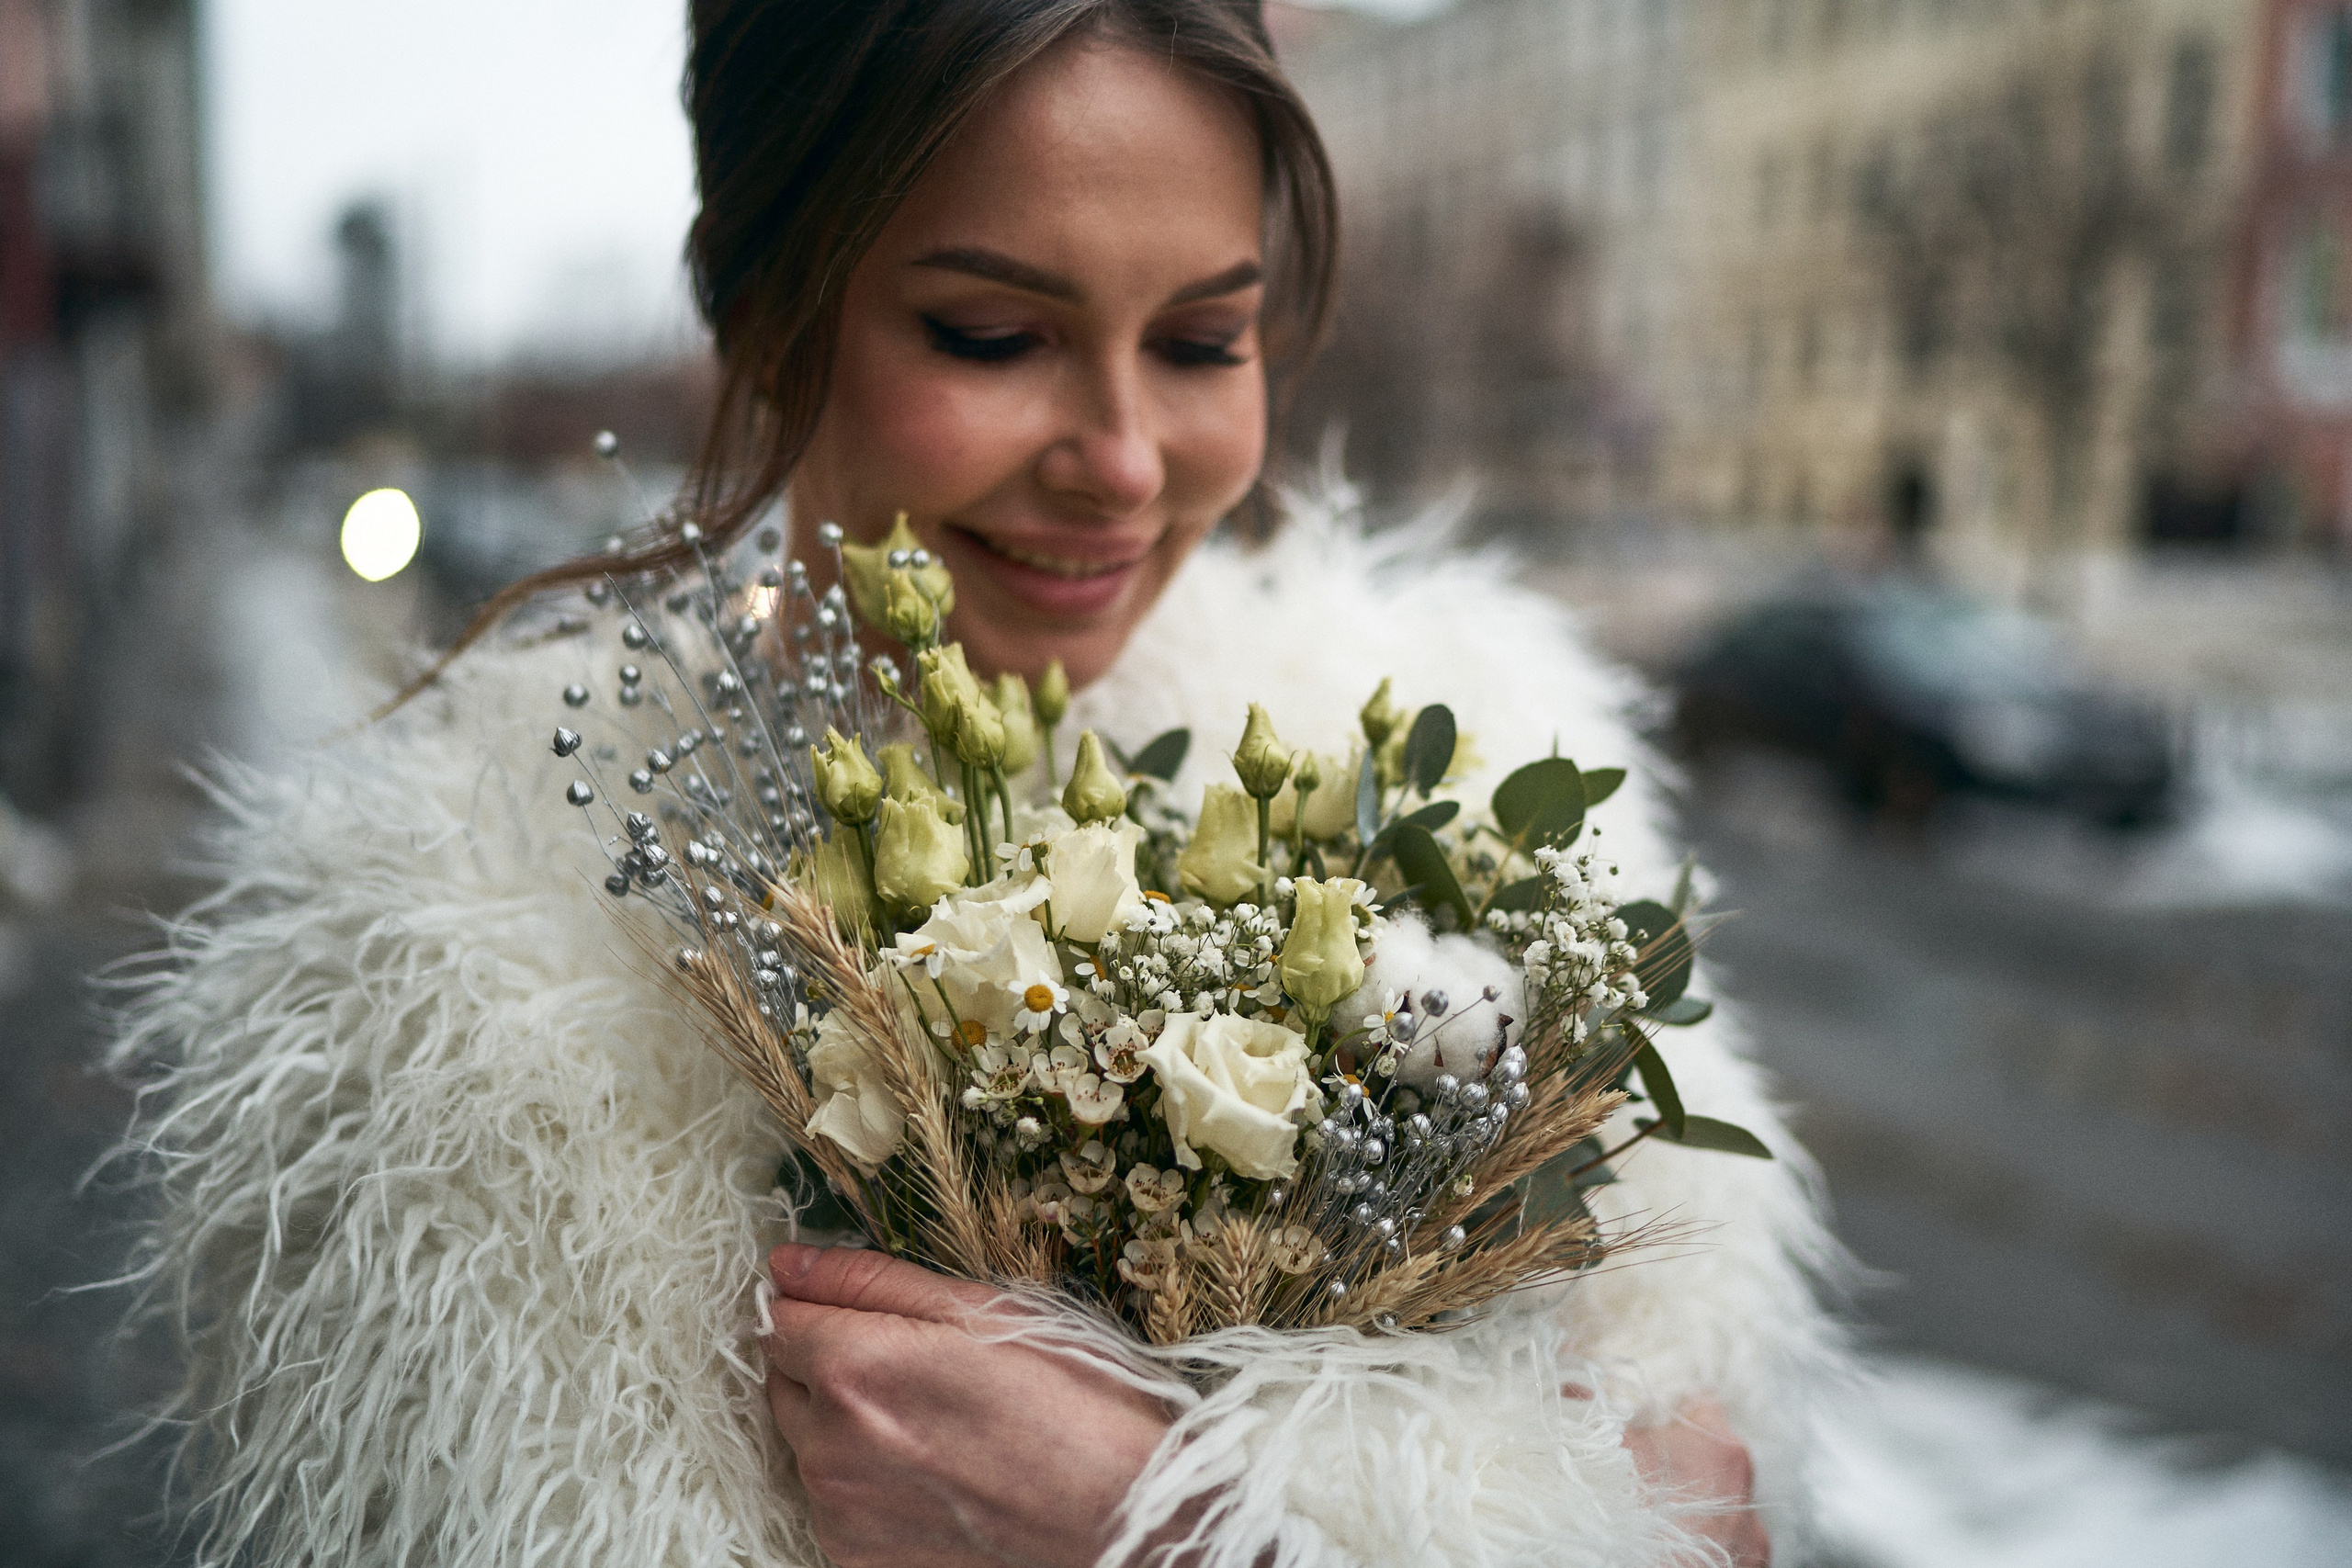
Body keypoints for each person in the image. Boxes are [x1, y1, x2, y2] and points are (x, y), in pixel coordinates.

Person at [112, 4, 1845, 1564]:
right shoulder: (439, 987)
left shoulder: (1453, 747)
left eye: (1198, 343)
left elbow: (1716, 1512)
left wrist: (1174, 1530)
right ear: (764, 305)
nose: (1123, 461)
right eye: (991, 336)